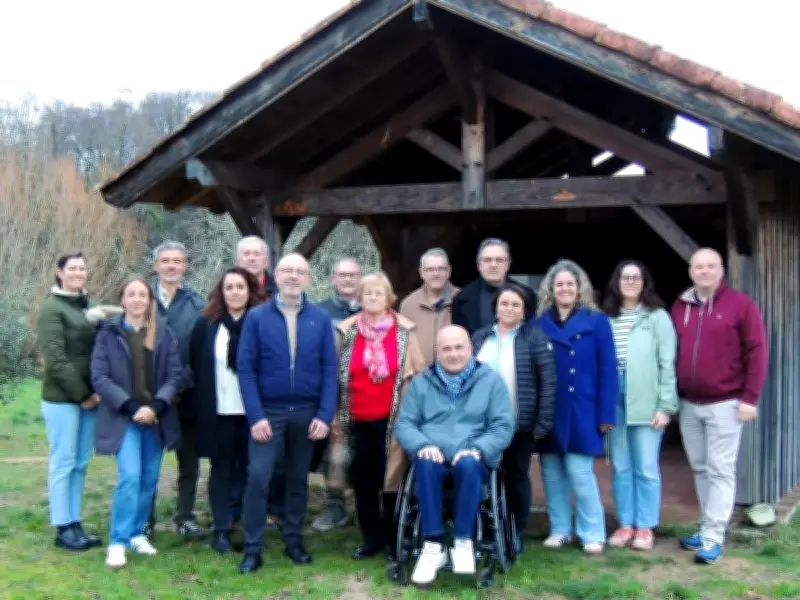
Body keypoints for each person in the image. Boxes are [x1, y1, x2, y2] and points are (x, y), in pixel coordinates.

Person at [236, 253, 338, 574]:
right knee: (258, 477)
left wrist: (324, 415)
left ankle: (293, 540)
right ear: (276, 276)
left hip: (307, 412)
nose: (293, 276)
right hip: (269, 411)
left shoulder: (320, 318)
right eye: (287, 271)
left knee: (297, 478)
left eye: (300, 272)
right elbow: (245, 369)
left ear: (307, 278)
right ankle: (252, 548)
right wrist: (256, 417)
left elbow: (330, 369)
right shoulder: (257, 317)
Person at [394, 326, 514, 586]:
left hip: (472, 455)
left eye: (459, 347)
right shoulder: (421, 383)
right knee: (425, 463)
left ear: (470, 348)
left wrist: (479, 448)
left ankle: (463, 541)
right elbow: (405, 423)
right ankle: (433, 544)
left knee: (469, 464)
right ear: (437, 352)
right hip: (433, 454)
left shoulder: (491, 381)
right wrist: (422, 444)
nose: (453, 354)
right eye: (446, 349)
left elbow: (502, 425)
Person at [671, 248, 767, 565]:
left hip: (726, 403)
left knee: (720, 470)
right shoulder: (680, 307)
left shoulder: (741, 305)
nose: (705, 271)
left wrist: (750, 398)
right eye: (699, 266)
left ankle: (714, 537)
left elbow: (757, 351)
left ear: (721, 270)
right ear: (691, 271)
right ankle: (706, 528)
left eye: (711, 266)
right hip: (689, 403)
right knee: (700, 468)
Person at [329, 272, 425, 560]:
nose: (372, 297)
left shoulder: (405, 331)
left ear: (389, 298)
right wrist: (334, 416)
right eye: (367, 293)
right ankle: (370, 539)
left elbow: (418, 375)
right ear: (359, 298)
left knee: (392, 480)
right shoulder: (346, 332)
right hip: (355, 420)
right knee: (364, 483)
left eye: (378, 293)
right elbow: (332, 376)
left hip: (394, 421)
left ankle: (393, 538)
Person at [90, 277, 183, 569]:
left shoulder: (163, 333)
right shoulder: (108, 333)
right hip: (124, 417)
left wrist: (156, 406)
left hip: (155, 418)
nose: (137, 299)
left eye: (143, 294)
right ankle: (117, 542)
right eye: (131, 294)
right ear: (122, 299)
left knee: (148, 479)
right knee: (130, 476)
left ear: (149, 300)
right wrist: (132, 407)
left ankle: (136, 534)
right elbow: (100, 377)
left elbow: (175, 375)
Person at [37, 252, 121, 551]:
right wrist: (83, 395)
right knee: (63, 462)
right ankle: (62, 528)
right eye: (71, 268)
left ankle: (75, 522)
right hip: (63, 399)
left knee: (81, 463)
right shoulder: (52, 309)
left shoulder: (86, 305)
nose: (78, 273)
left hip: (91, 398)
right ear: (59, 273)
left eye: (82, 268)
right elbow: (56, 360)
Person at [535, 259, 617, 555]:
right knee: (551, 472)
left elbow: (608, 369)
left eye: (570, 283)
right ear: (551, 289)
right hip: (549, 409)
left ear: (580, 288)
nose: (565, 289)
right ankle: (560, 529)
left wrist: (606, 413)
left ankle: (592, 532)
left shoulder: (597, 321)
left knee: (580, 472)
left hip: (583, 408)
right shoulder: (538, 324)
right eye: (559, 284)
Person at [471, 281, 557, 555]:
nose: (509, 308)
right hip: (480, 426)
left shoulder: (535, 337)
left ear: (524, 310)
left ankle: (515, 531)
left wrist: (542, 422)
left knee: (516, 477)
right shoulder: (480, 337)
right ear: (496, 308)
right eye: (504, 303)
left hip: (519, 424)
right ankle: (486, 529)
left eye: (515, 305)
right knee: (482, 477)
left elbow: (548, 382)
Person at [602, 260, 678, 551]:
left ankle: (645, 526)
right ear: (616, 282)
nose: (631, 282)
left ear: (645, 283)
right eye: (625, 277)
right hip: (614, 396)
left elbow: (667, 363)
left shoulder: (657, 317)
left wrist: (665, 406)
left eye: (636, 277)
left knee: (645, 466)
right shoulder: (607, 318)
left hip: (646, 395)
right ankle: (625, 524)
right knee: (620, 466)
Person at [188, 267, 265, 554]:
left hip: (253, 413)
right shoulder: (207, 325)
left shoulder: (261, 323)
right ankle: (220, 530)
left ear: (250, 291)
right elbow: (195, 365)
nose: (235, 292)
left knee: (250, 472)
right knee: (221, 471)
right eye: (229, 287)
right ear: (221, 292)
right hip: (218, 411)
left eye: (240, 287)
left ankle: (246, 526)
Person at [148, 241, 205, 540]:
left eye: (177, 261)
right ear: (155, 265)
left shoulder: (198, 304)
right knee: (148, 463)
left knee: (189, 463)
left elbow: (201, 353)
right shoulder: (140, 298)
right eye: (165, 260)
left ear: (185, 266)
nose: (171, 266)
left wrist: (179, 386)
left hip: (187, 395)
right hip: (148, 397)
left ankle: (185, 516)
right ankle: (145, 519)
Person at [312, 257, 363, 533]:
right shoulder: (320, 312)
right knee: (336, 452)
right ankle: (335, 505)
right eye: (342, 275)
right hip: (334, 393)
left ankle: (367, 506)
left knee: (369, 449)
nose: (347, 279)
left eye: (352, 275)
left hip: (368, 392)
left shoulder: (374, 308)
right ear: (333, 279)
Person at [452, 238, 535, 336]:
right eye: (487, 260)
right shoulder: (462, 298)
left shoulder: (527, 295)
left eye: (499, 260)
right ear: (479, 265)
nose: (493, 265)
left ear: (507, 265)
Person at [399, 248, 460, 366]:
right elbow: (401, 345)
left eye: (441, 269)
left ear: (449, 271)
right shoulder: (409, 304)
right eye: (430, 269)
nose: (436, 274)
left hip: (455, 373)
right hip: (419, 374)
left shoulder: (462, 300)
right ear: (421, 273)